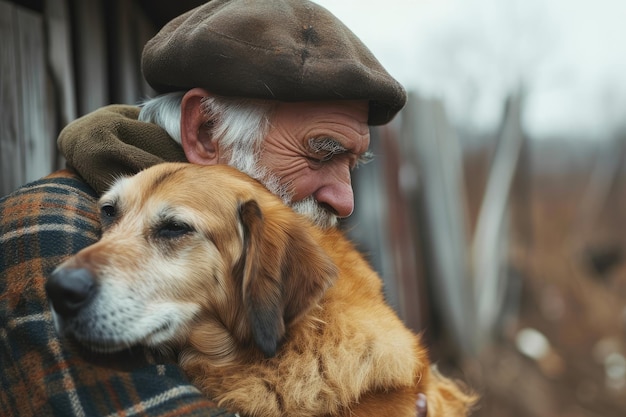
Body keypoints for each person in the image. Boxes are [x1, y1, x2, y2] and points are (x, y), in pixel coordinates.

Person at [0, 0, 428, 416]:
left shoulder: (265, 247)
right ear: (205, 131)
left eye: (351, 164)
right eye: (320, 153)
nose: (345, 199)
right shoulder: (47, 230)